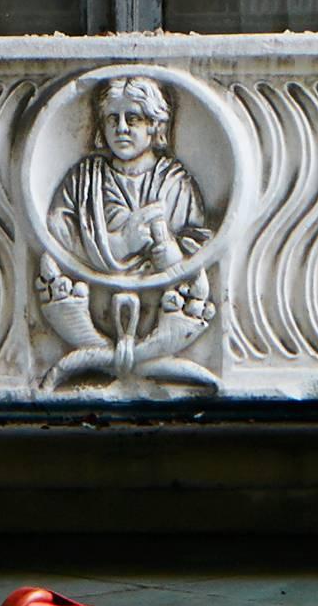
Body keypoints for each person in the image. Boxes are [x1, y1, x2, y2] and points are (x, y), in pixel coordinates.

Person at [38, 72, 225, 392]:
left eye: (133, 118)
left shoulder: (176, 183)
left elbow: (195, 245)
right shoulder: (84, 180)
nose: (121, 128)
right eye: (113, 118)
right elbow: (60, 235)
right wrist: (120, 242)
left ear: (154, 125)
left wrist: (172, 254)